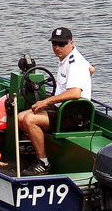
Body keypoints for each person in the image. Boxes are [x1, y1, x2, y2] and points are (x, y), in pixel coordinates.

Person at [17, 27, 93, 174]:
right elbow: (91, 69)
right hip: (60, 109)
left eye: (62, 44)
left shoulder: (76, 63)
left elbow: (75, 93)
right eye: (54, 44)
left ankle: (43, 162)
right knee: (20, 117)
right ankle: (38, 150)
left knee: (29, 120)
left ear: (71, 43)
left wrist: (46, 102)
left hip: (72, 115)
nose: (57, 48)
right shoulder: (68, 58)